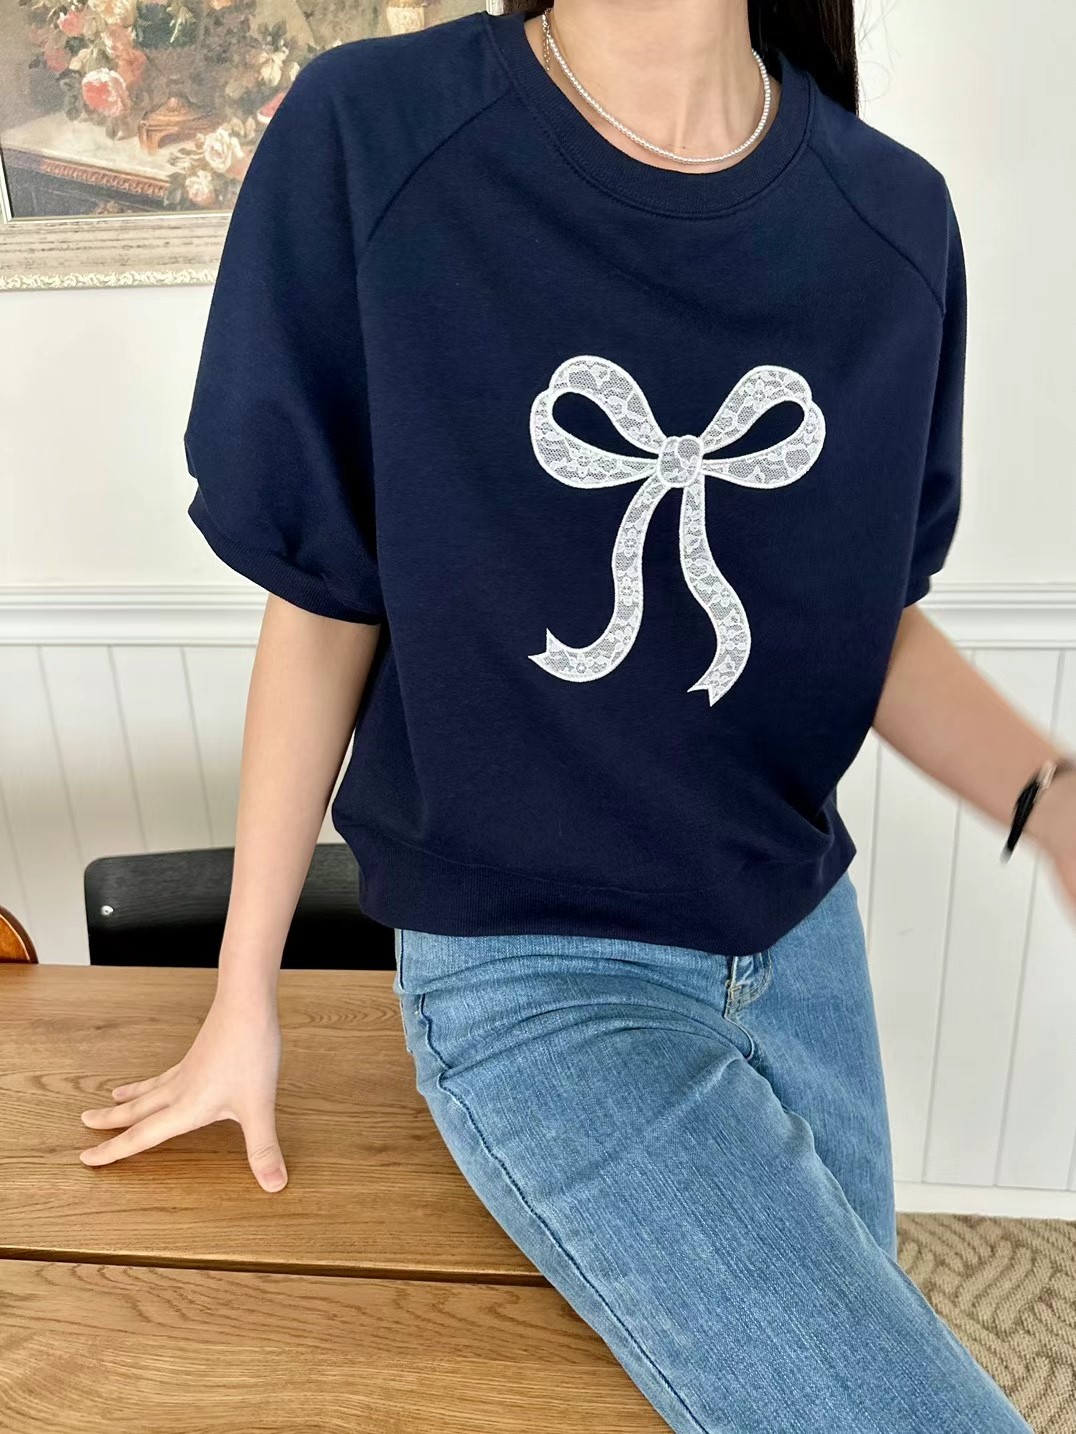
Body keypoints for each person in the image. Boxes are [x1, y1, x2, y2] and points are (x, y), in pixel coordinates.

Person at [79, 2, 1075, 1428]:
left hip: (803, 945)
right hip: (534, 971)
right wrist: (245, 995)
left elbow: (868, 623)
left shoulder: (894, 222)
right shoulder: (377, 137)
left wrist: (1052, 801)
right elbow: (327, 596)